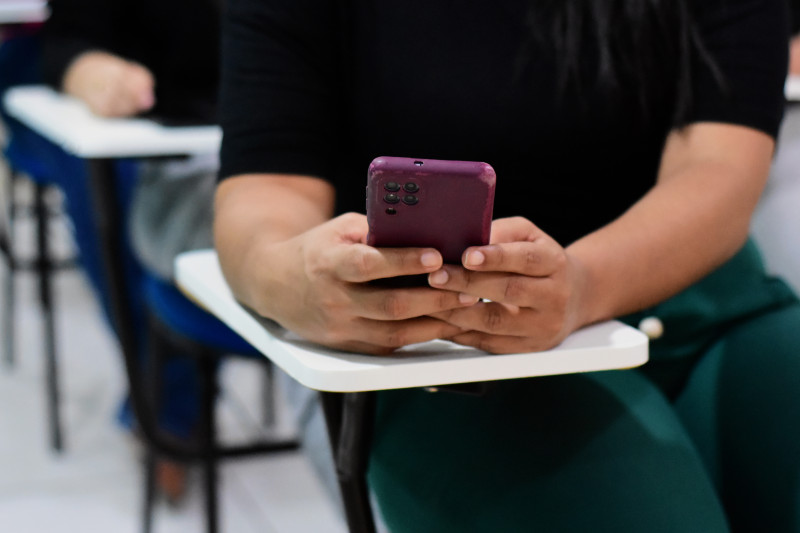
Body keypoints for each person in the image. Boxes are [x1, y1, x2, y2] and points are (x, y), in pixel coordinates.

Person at [215, 0, 800, 531]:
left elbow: (719, 167)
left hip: (704, 303)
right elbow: (266, 185)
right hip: (449, 351)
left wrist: (583, 285)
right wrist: (287, 274)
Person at [40, 0, 221, 503]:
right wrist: (91, 70)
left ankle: (170, 400)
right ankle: (168, 405)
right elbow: (67, 42)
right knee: (112, 196)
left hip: (241, 116)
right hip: (133, 115)